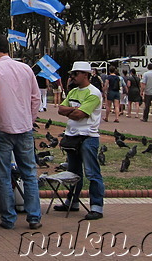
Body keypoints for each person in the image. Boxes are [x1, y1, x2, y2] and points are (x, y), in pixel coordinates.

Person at [0, 34, 42, 230]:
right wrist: (29, 119)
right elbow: (36, 99)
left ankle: (9, 218)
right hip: (24, 127)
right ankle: (34, 216)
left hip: (2, 128)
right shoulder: (26, 69)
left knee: (4, 174)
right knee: (29, 173)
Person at [56, 61, 105, 220]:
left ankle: (97, 207)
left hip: (87, 137)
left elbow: (79, 115)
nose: (72, 77)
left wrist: (70, 112)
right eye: (72, 74)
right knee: (73, 172)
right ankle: (72, 202)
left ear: (86, 74)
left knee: (92, 173)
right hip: (72, 136)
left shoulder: (94, 93)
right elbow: (60, 109)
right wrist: (74, 110)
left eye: (75, 74)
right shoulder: (73, 92)